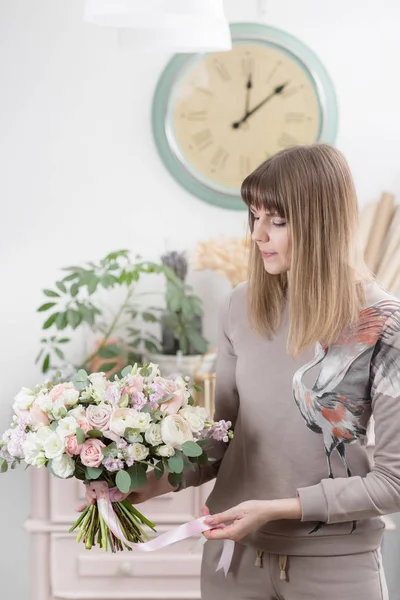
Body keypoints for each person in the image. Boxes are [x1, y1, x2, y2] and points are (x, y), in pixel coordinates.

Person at [86, 144, 400, 599]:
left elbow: (393, 482)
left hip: (336, 567)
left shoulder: (384, 321)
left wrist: (280, 508)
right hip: (233, 562)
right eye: (254, 217)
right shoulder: (240, 305)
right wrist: (150, 482)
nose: (257, 234)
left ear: (322, 223)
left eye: (277, 220)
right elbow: (222, 437)